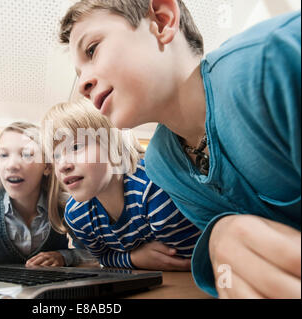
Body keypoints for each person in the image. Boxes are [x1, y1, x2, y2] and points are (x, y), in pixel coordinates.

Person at [58, 0, 301, 298]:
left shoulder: (275, 59)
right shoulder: (163, 164)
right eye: (78, 71)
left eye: (92, 49)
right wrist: (219, 240)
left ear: (161, 21)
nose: (82, 84)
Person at [41, 99, 201, 270]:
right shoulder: (76, 214)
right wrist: (134, 259)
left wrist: (125, 259)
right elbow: (101, 258)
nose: (63, 165)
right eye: (56, 156)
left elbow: (193, 261)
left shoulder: (153, 191)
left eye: (75, 147)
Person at [0, 121, 95, 267]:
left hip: (49, 288)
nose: (11, 165)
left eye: (27, 154)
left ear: (47, 166)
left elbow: (93, 255)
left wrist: (64, 257)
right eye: (3, 155)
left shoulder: (67, 206)